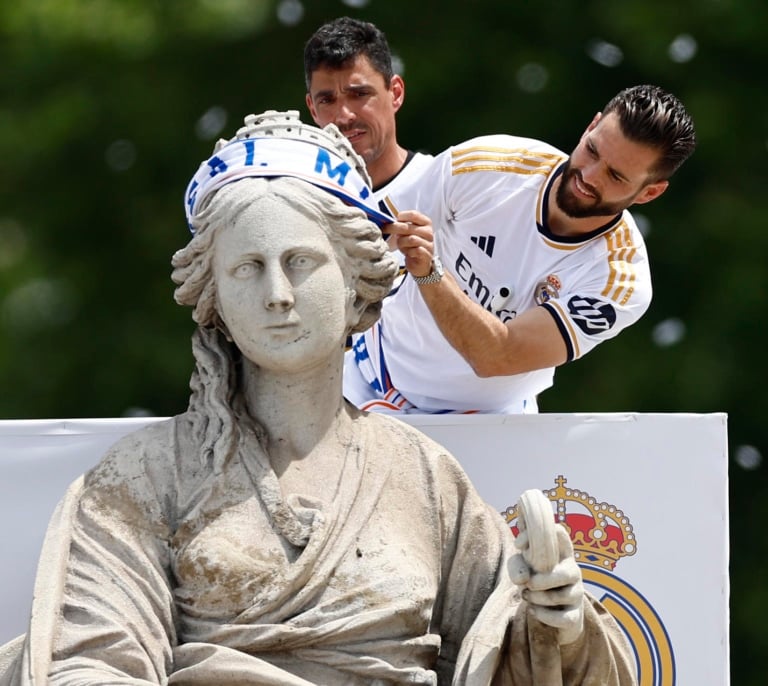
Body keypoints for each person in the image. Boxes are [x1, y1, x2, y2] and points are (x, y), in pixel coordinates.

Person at [0, 111, 637, 685]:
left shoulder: (428, 480)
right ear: (213, 295)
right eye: (246, 268)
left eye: (301, 262)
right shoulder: (145, 476)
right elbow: (88, 664)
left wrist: (556, 621)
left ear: (358, 280)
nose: (278, 293)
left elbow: (514, 659)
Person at [343, 84, 697, 413]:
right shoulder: (489, 163)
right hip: (364, 369)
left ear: (650, 193)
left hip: (487, 425)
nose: (589, 176)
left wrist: (430, 273)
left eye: (616, 176)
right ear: (591, 126)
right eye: (592, 151)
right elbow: (358, 236)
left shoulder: (621, 281)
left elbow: (496, 356)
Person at [303, 16, 432, 226]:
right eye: (327, 100)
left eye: (359, 94)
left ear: (396, 93)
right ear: (313, 109)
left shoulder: (447, 187)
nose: (344, 116)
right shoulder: (302, 214)